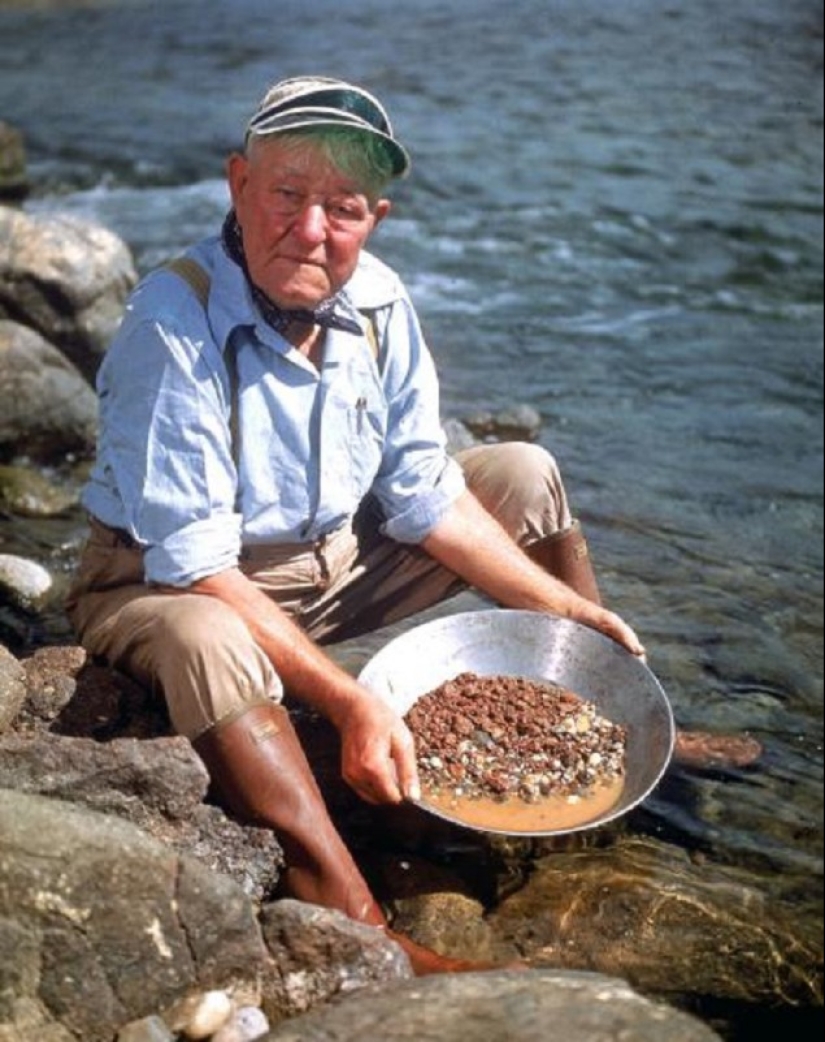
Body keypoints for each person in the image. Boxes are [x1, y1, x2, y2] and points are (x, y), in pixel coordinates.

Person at [67, 75, 759, 975]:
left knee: (520, 471)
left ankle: (623, 727)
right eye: (286, 195)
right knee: (208, 637)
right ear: (238, 186)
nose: (311, 230)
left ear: (376, 218)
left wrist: (566, 611)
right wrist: (353, 703)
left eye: (341, 209)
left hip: (328, 565)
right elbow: (201, 567)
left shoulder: (381, 303)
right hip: (162, 583)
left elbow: (424, 494)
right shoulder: (172, 322)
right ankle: (359, 922)